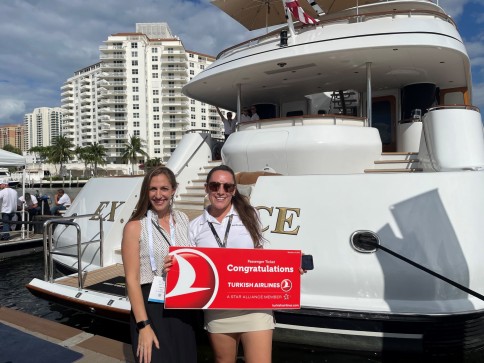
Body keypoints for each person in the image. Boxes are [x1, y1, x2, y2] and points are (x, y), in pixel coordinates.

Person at [169, 165, 274, 363]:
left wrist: (289, 268)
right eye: (215, 185)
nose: (221, 191)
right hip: (217, 307)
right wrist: (173, 266)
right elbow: (191, 269)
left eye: (227, 187)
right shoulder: (195, 227)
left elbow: (261, 257)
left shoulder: (251, 216)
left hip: (254, 304)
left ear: (234, 190)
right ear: (206, 188)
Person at [121, 166, 197, 363]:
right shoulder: (134, 226)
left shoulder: (182, 219)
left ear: (173, 190)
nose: (158, 195)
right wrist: (144, 325)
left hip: (182, 305)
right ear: (146, 191)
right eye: (153, 189)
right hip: (151, 306)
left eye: (164, 189)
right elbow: (132, 279)